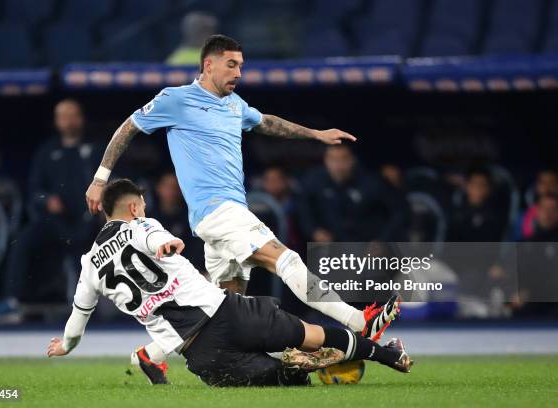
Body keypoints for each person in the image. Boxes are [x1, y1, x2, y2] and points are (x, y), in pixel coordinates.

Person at [85, 34, 400, 339]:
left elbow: (266, 122)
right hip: (220, 211)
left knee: (229, 306)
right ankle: (358, 321)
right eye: (231, 65)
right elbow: (128, 128)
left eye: (241, 66)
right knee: (285, 259)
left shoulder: (234, 104)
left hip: (220, 217)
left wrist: (316, 134)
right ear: (209, 65)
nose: (238, 73)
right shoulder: (176, 99)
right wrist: (101, 178)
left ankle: (178, 357)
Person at [47, 179, 413, 387]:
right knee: (309, 343)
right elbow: (151, 239)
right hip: (228, 315)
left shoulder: (88, 265)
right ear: (133, 208)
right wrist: (167, 243)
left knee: (289, 378)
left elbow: (77, 322)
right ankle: (384, 353)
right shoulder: (141, 225)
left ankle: (364, 356)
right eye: (141, 205)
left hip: (201, 355)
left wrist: (65, 345)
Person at [0, 99, 102, 323]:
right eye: (62, 116)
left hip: (88, 221)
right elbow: (34, 189)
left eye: (72, 115)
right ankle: (13, 300)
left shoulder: (95, 149)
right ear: (56, 121)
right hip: (54, 221)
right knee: (22, 240)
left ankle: (87, 308)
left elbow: (114, 182)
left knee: (86, 251)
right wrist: (47, 200)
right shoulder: (47, 150)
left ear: (81, 118)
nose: (68, 121)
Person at [298, 145, 410, 243]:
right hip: (332, 248)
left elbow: (399, 212)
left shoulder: (372, 181)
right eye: (333, 159)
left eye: (343, 159)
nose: (338, 166)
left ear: (353, 160)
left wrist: (383, 240)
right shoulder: (313, 181)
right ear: (325, 160)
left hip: (368, 247)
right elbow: (304, 210)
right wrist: (314, 230)